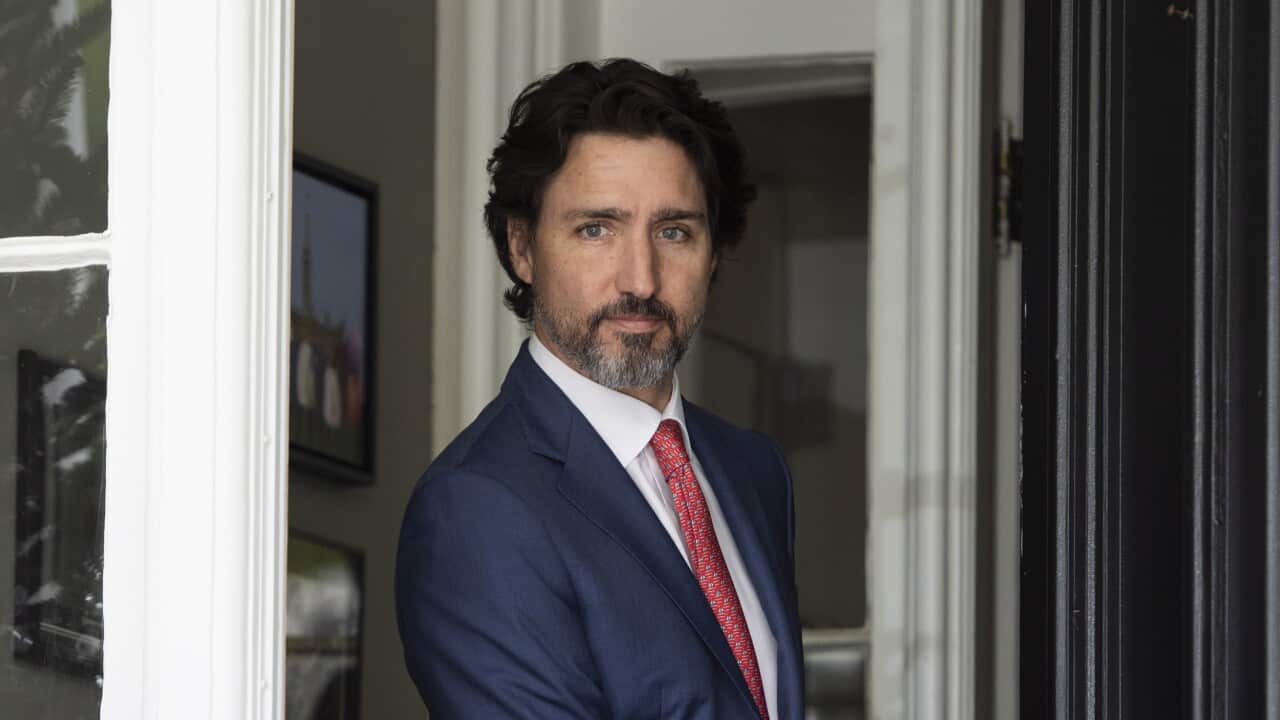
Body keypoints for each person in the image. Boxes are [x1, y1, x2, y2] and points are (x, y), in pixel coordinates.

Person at [395, 58, 803, 719]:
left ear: (714, 253)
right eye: (596, 229)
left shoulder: (754, 472)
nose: (640, 278)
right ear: (521, 247)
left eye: (674, 231)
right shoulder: (477, 507)